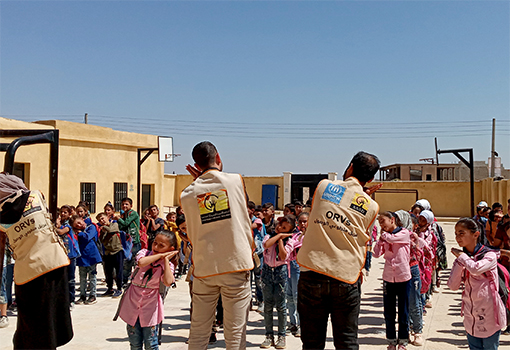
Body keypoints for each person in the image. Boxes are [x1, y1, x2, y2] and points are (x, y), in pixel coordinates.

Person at [297, 151, 381, 350]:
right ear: (370, 179)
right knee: (347, 342)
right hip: (346, 278)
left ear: (350, 167)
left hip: (313, 273)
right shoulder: (372, 206)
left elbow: (335, 204)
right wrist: (364, 196)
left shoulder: (324, 186)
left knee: (312, 343)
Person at [180, 141, 254, 350]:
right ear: (218, 157)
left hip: (205, 268)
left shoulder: (187, 194)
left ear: (196, 163)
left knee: (198, 331)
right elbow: (242, 203)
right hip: (235, 265)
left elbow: (204, 209)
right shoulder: (235, 181)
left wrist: (200, 181)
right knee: (235, 333)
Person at [0, 174, 73, 349]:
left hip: (29, 272)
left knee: (32, 324)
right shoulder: (35, 196)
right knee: (52, 319)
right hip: (56, 262)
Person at [448, 218, 506, 349]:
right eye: (456, 233)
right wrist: (459, 263)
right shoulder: (463, 258)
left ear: (476, 234)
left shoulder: (490, 255)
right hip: (471, 317)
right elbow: (452, 285)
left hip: (490, 316)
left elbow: (475, 269)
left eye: (461, 233)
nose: (457, 237)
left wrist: (462, 257)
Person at [118, 230, 179, 350]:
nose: (156, 247)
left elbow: (167, 281)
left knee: (151, 343)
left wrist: (166, 260)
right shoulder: (144, 253)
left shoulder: (168, 265)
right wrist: (161, 255)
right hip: (133, 302)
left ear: (170, 248)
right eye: (155, 243)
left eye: (162, 246)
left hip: (151, 307)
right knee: (135, 343)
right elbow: (141, 263)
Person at [373, 212, 411, 350]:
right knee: (389, 311)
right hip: (389, 277)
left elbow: (393, 239)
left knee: (403, 310)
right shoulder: (385, 238)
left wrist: (384, 236)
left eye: (383, 221)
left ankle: (403, 340)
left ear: (392, 220)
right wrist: (379, 242)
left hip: (403, 277)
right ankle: (391, 340)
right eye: (379, 222)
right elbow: (376, 254)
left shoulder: (404, 233)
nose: (381, 225)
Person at [260, 215, 296, 349]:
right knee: (268, 305)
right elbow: (266, 245)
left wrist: (281, 239)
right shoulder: (269, 236)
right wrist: (279, 235)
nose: (280, 228)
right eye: (280, 225)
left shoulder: (290, 241)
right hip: (267, 272)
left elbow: (283, 256)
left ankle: (281, 336)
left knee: (281, 306)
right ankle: (269, 335)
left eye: (284, 228)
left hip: (280, 272)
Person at [395, 210, 424, 346]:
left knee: (414, 302)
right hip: (398, 270)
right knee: (401, 304)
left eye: (399, 221)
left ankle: (417, 331)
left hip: (411, 269)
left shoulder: (412, 236)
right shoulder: (392, 235)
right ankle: (404, 332)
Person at [286, 212, 308, 338]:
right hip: (290, 267)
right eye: (300, 222)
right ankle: (292, 323)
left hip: (300, 268)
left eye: (305, 221)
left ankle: (301, 323)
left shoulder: (310, 236)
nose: (302, 224)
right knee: (289, 297)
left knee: (297, 297)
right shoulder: (295, 235)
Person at [71, 215, 102, 305]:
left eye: (79, 223)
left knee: (92, 276)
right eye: (77, 225)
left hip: (91, 256)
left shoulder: (91, 227)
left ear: (82, 219)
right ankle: (82, 295)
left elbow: (87, 237)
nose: (80, 225)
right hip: (82, 256)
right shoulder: (75, 231)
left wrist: (79, 233)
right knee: (82, 277)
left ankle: (93, 295)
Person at [56, 205, 80, 307]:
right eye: (61, 212)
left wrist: (53, 227)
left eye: (65, 212)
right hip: (61, 255)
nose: (63, 214)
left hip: (70, 254)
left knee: (70, 279)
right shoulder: (58, 224)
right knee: (61, 279)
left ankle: (71, 299)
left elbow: (61, 232)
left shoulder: (68, 225)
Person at [114, 197, 141, 287]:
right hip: (127, 242)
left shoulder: (133, 214)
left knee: (136, 261)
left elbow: (126, 223)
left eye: (126, 204)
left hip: (134, 241)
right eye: (123, 204)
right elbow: (122, 227)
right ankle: (125, 280)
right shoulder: (124, 215)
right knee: (127, 262)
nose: (124, 206)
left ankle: (138, 279)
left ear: (131, 205)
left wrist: (119, 219)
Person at [97, 212, 124, 298]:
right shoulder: (103, 230)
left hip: (117, 251)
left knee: (118, 271)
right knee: (108, 272)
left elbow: (111, 230)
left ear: (107, 217)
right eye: (100, 220)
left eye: (102, 218)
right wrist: (102, 232)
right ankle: (110, 288)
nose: (102, 221)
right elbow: (101, 240)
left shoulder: (114, 224)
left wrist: (104, 227)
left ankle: (119, 288)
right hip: (108, 253)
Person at [248, 201, 265, 312]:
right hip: (247, 254)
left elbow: (247, 227)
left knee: (258, 279)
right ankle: (248, 301)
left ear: (252, 210)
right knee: (247, 279)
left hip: (257, 254)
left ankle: (261, 300)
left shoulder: (257, 221)